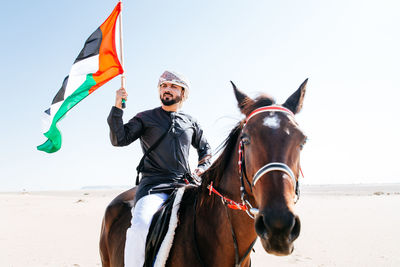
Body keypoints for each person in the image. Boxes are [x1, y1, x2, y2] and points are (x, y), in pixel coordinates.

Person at [107, 70, 212, 267]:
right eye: (163, 86)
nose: (167, 89)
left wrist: (202, 168)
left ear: (183, 93)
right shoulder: (145, 118)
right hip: (154, 186)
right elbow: (119, 139)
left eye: (173, 86)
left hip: (185, 185)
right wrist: (117, 106)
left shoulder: (191, 122)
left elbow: (206, 150)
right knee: (140, 226)